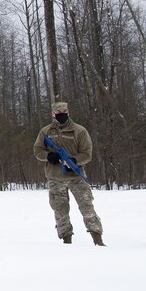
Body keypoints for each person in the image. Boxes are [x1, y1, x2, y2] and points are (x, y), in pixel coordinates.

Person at [34, 101, 105, 246]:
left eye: (64, 111)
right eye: (59, 112)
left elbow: (87, 153)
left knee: (87, 208)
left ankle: (98, 240)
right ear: (53, 114)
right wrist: (49, 156)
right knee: (60, 211)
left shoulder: (79, 131)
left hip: (76, 177)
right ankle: (67, 242)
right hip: (55, 178)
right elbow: (37, 150)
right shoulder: (45, 132)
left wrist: (74, 161)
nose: (62, 114)